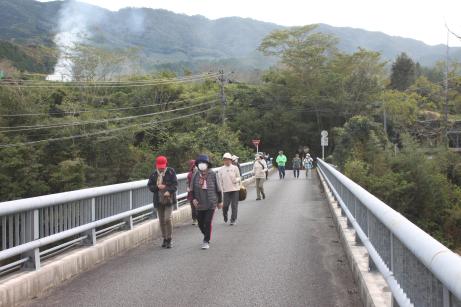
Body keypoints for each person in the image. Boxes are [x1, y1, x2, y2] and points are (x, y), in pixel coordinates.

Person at [190, 154, 223, 249]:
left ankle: (206, 240)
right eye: (200, 163)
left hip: (211, 202)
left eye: (204, 163)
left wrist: (220, 201)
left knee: (207, 221)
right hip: (199, 203)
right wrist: (193, 199)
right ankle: (206, 234)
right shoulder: (195, 174)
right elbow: (191, 189)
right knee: (200, 222)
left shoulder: (213, 174)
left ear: (207, 164)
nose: (202, 165)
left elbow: (218, 189)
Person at [147, 156, 178, 249]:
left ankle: (169, 238)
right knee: (161, 221)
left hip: (169, 200)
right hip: (158, 200)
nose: (161, 168)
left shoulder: (171, 172)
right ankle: (164, 238)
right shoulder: (153, 174)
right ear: (157, 165)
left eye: (163, 166)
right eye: (160, 166)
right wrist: (157, 187)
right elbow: (150, 186)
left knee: (167, 219)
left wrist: (168, 190)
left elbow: (175, 184)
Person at [219, 152, 241, 225]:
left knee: (234, 205)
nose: (226, 161)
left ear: (231, 160)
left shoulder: (235, 168)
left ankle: (233, 220)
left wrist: (236, 180)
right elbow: (220, 182)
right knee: (225, 206)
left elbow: (239, 177)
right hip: (226, 190)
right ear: (223, 160)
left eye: (228, 159)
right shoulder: (221, 169)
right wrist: (221, 191)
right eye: (225, 160)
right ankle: (225, 215)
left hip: (235, 189)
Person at [186, 159, 198, 226]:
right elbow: (187, 182)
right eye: (193, 166)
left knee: (199, 206)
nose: (194, 167)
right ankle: (194, 219)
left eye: (195, 166)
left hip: (199, 192)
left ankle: (200, 218)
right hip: (191, 193)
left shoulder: (201, 173)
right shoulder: (189, 174)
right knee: (193, 207)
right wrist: (188, 187)